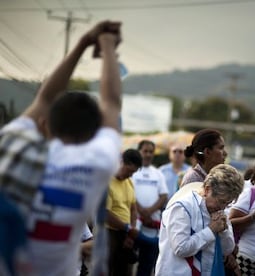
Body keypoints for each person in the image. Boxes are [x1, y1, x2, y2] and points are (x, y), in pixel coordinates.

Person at [0, 21, 123, 276]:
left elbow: (43, 98)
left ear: (44, 124)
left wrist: (83, 42)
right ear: (93, 135)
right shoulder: (96, 164)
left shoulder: (13, 145)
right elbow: (111, 103)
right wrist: (108, 47)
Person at [155, 164, 244, 275]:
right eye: (221, 201)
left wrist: (224, 231)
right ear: (207, 190)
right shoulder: (182, 207)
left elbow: (226, 250)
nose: (223, 207)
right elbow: (180, 248)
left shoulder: (221, 211)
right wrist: (211, 230)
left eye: (228, 203)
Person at [132, 140, 168, 276]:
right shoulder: (133, 171)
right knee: (127, 261)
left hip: (152, 226)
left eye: (151, 152)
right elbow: (128, 194)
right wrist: (140, 210)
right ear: (139, 151)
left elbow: (164, 196)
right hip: (133, 223)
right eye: (145, 151)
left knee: (146, 265)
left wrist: (149, 211)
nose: (148, 154)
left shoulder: (157, 173)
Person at [106, 149, 142, 276]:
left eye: (134, 172)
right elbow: (105, 214)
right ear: (121, 162)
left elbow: (133, 209)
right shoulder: (107, 181)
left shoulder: (129, 182)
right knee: (107, 268)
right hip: (108, 233)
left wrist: (130, 232)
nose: (131, 175)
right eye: (130, 171)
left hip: (125, 233)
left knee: (125, 271)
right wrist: (127, 228)